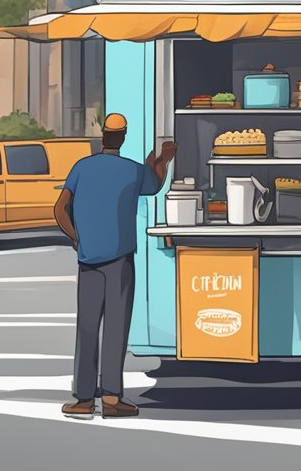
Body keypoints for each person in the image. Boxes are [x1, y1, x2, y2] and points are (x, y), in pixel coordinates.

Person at [54, 113, 174, 419]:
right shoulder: (132, 171)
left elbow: (59, 208)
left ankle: (82, 399)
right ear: (122, 138)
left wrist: (77, 238)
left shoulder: (82, 167)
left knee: (87, 327)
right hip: (119, 260)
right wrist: (163, 159)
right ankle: (110, 399)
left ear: (103, 136)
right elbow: (156, 183)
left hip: (88, 259)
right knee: (116, 328)